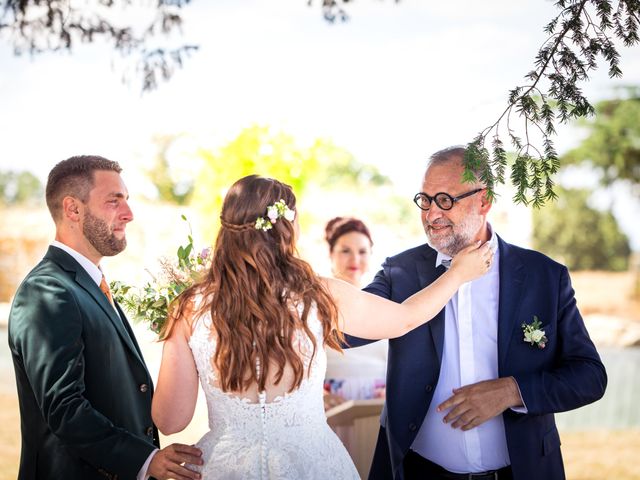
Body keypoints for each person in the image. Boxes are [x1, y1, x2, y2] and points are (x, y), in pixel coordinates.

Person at [151, 174, 493, 479]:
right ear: (287, 228)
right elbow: (404, 319)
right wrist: (458, 274)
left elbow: (170, 421)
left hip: (221, 467)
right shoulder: (317, 293)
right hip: (312, 463)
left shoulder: (189, 308)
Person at [352, 146, 607, 480]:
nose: (431, 214)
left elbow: (589, 376)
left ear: (483, 201)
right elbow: (346, 332)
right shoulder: (399, 273)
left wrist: (511, 391)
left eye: (445, 200)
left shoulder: (544, 276)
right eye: (425, 200)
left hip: (523, 471)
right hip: (418, 472)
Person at [8, 155, 202, 480]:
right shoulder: (46, 291)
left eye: (126, 200)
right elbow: (65, 408)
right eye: (114, 201)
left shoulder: (89, 284)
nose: (129, 214)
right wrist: (144, 460)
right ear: (73, 209)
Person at [323, 217, 387, 403]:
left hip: (377, 406)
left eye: (362, 252)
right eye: (345, 251)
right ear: (330, 253)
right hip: (329, 406)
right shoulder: (316, 303)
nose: (355, 260)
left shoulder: (381, 303)